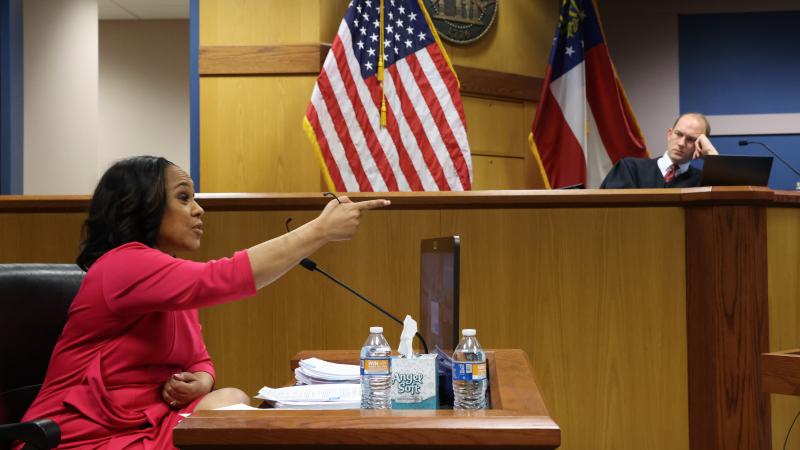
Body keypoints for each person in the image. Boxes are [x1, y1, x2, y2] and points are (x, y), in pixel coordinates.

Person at [15, 156, 389, 449]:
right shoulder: (122, 265)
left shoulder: (169, 274)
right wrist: (319, 231)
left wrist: (202, 381)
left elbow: (198, 359)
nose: (198, 209)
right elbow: (222, 278)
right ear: (142, 205)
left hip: (150, 424)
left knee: (231, 399)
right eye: (183, 197)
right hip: (88, 438)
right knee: (235, 423)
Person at [600, 112, 718, 188]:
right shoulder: (629, 169)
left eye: (691, 139)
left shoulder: (702, 182)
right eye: (678, 134)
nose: (681, 143)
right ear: (669, 134)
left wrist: (712, 155)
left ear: (700, 144)